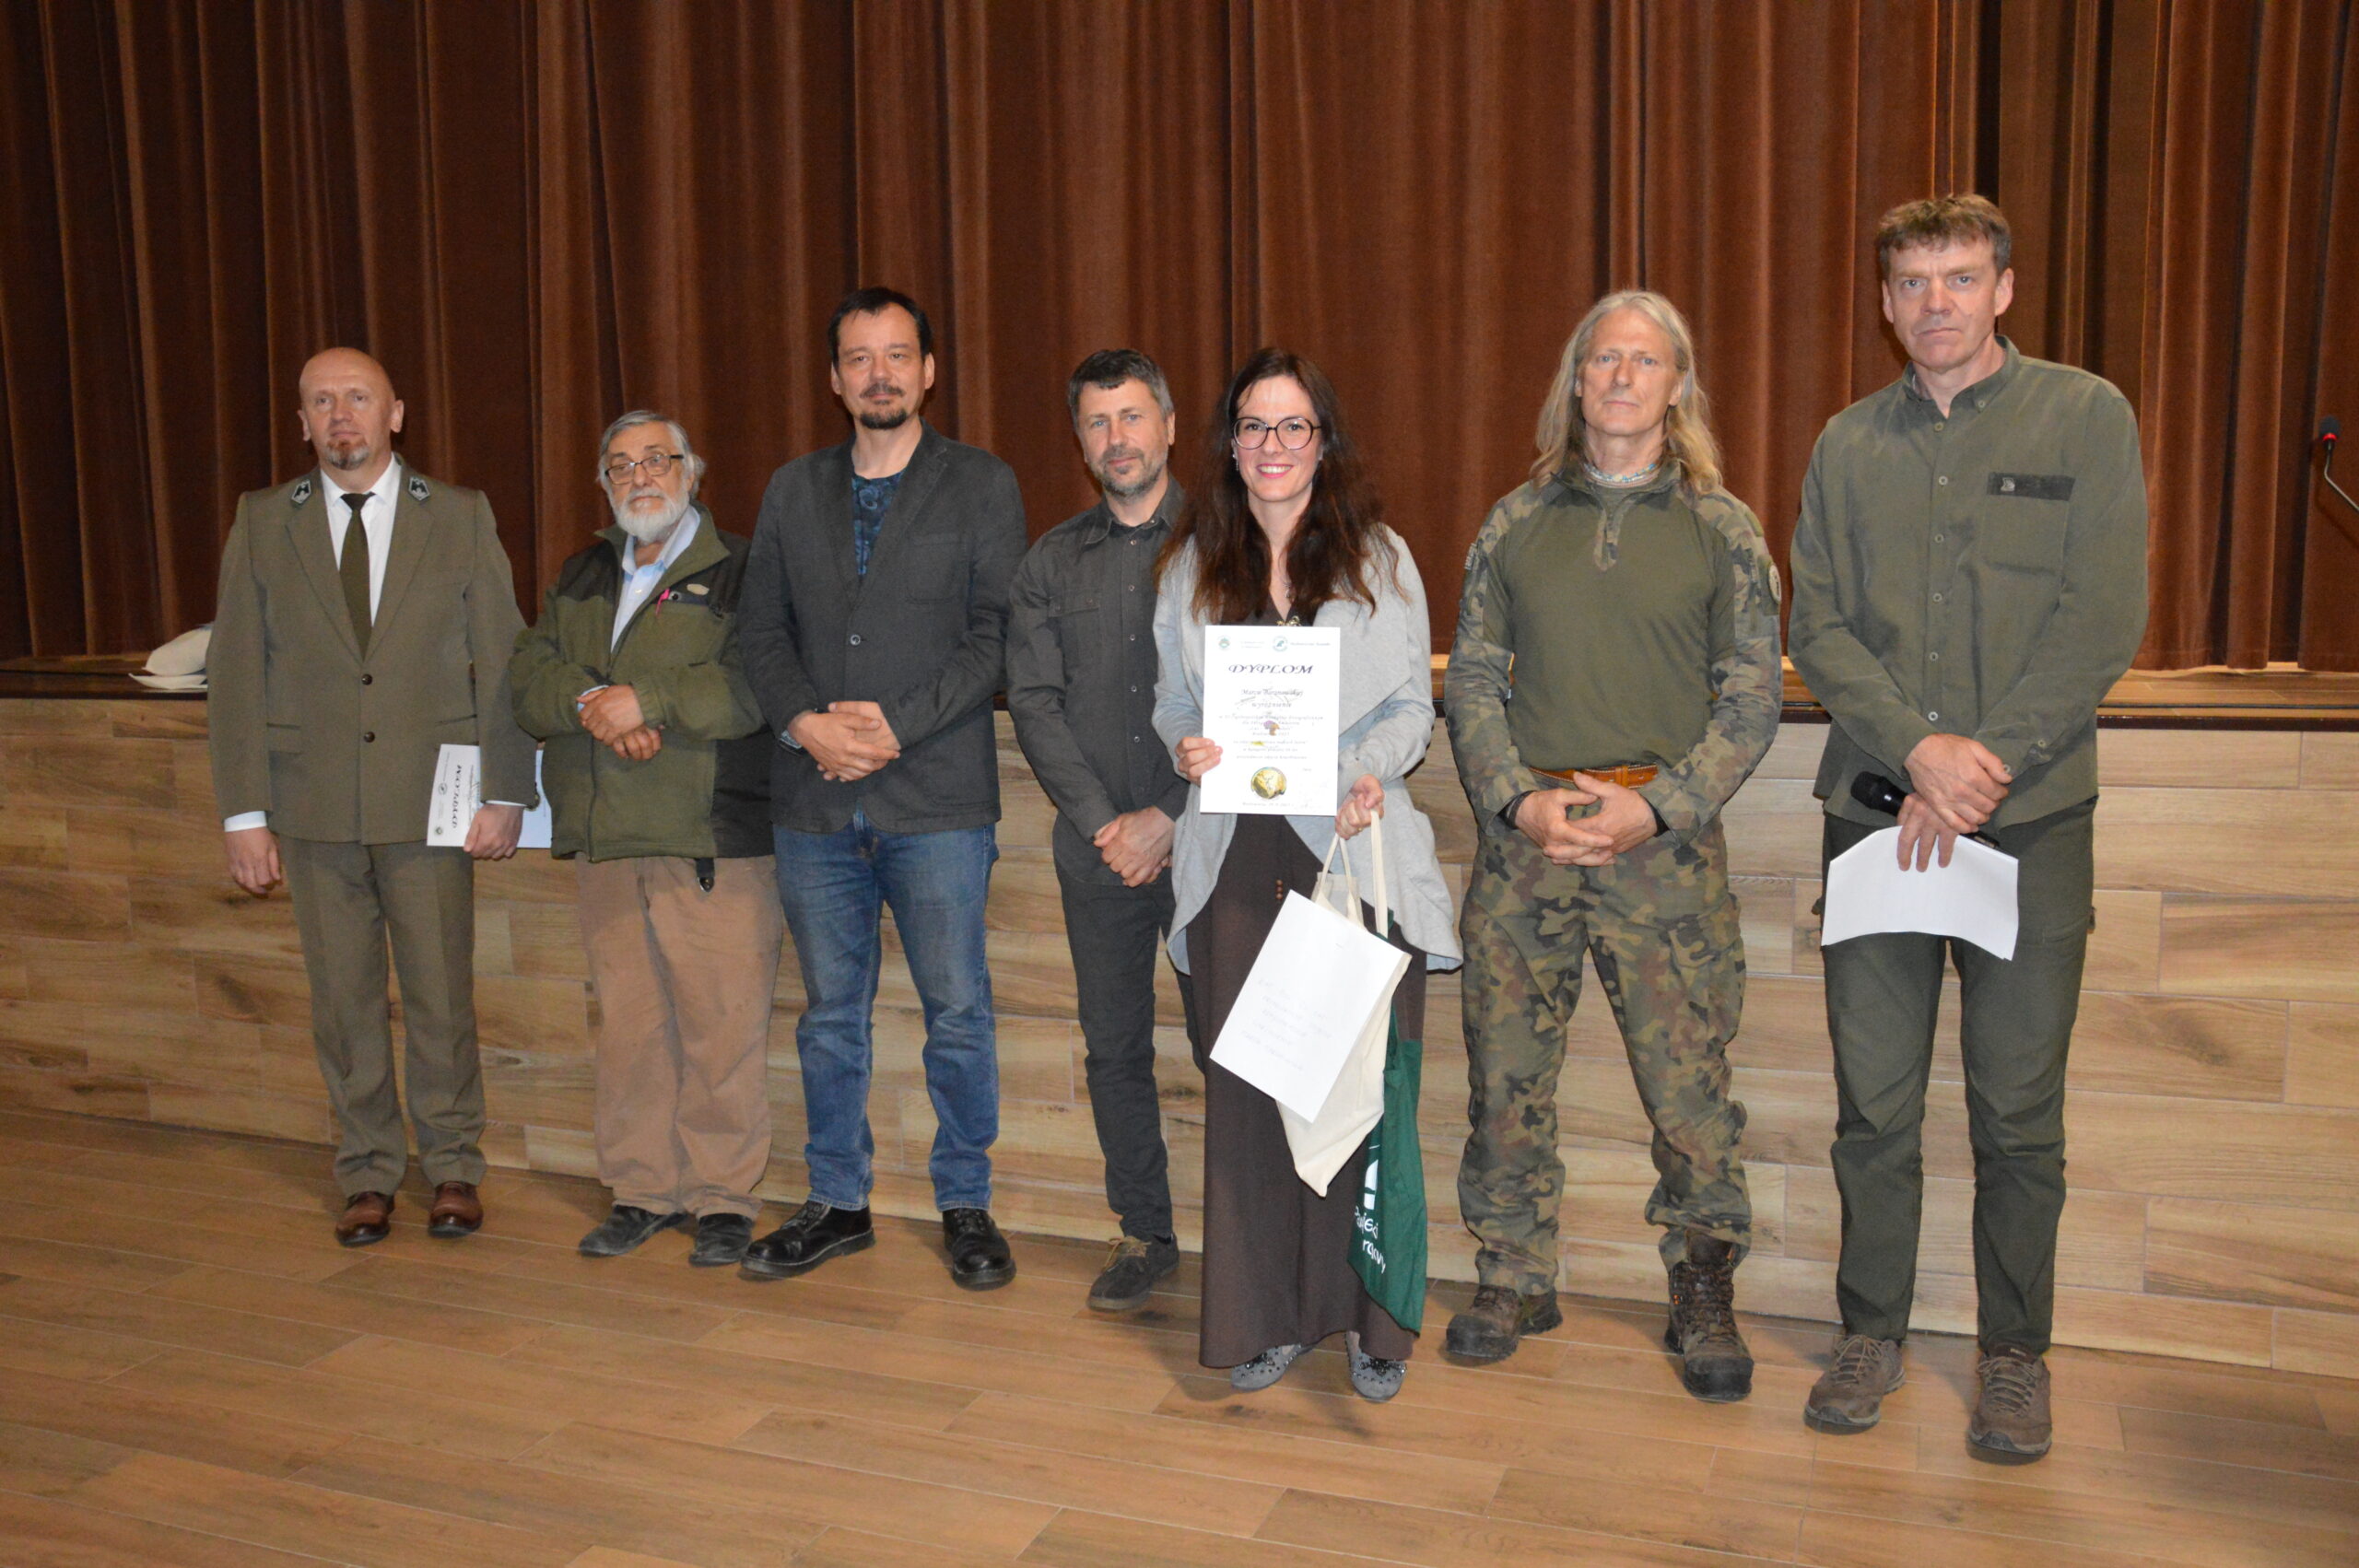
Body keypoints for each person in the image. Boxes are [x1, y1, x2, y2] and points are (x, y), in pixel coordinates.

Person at [1789, 194, 2148, 1460]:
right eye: (1911, 282)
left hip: (2030, 819)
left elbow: (2101, 618)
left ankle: (2011, 1356)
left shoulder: (2086, 417)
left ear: (2002, 289)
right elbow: (1818, 626)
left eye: (1958, 277)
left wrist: (1983, 765)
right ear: (1884, 303)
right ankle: (1869, 1331)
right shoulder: (1845, 445)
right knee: (1873, 1105)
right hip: (1877, 818)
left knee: (2018, 1110)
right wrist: (1921, 752)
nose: (1933, 302)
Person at [1444, 292, 1783, 1400]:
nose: (1623, 378)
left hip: (1661, 852)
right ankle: (1512, 1272)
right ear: (1576, 381)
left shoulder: (1721, 527)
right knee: (1504, 1079)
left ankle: (1702, 1285)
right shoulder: (1514, 522)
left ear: (1677, 384)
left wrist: (1664, 806)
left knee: (1689, 1092)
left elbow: (1751, 699)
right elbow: (1473, 677)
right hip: (1527, 847)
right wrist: (1512, 801)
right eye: (1603, 359)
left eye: (1645, 360)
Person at [1154, 347, 1460, 1401]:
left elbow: (1412, 711)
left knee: (1359, 1094)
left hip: (1348, 849)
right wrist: (1187, 744)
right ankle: (1264, 1315)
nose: (1272, 445)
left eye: (1293, 426)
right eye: (1253, 425)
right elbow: (1170, 700)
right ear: (1229, 443)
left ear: (1322, 442)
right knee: (1251, 1096)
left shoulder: (1380, 558)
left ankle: (1372, 1325)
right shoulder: (1193, 564)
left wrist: (1366, 773)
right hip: (1236, 858)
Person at [736, 287, 1028, 1289]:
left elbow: (996, 633)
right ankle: (837, 1201)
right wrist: (804, 722)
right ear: (834, 379)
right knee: (828, 1016)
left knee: (958, 1011)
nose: (879, 374)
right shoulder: (791, 489)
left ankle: (966, 1203)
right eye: (859, 358)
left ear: (929, 370)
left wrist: (897, 725)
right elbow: (760, 632)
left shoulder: (982, 484)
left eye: (897, 354)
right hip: (814, 798)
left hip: (936, 795)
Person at [208, 346, 532, 1246]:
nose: (340, 415)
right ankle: (366, 1171)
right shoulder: (263, 521)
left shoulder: (459, 515)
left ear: (395, 413)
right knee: (344, 1003)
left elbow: (504, 657)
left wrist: (508, 789)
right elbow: (235, 673)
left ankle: (454, 1166)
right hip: (311, 808)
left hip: (432, 806)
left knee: (440, 998)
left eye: (358, 397)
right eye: (322, 401)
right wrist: (244, 813)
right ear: (302, 423)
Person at [509, 412, 782, 1270]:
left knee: (721, 1031)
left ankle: (723, 1199)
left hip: (709, 841)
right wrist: (599, 705)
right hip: (605, 842)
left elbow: (757, 688)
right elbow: (527, 676)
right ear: (602, 484)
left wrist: (649, 701)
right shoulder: (582, 572)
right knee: (629, 1033)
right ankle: (640, 1192)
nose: (640, 477)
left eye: (657, 460)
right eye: (620, 466)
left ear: (692, 472)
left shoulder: (744, 568)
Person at [1007, 350, 1196, 1312]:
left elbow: (1253, 697)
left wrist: (1167, 816)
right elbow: (1034, 703)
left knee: (1235, 1048)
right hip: (1095, 855)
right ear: (1080, 441)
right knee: (1114, 1048)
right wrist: (1104, 825)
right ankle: (1143, 1230)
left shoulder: (1228, 541)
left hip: (1208, 844)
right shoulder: (1049, 562)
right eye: (1097, 422)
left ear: (1168, 425)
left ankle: (1255, 1242)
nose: (1116, 438)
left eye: (1131, 416)